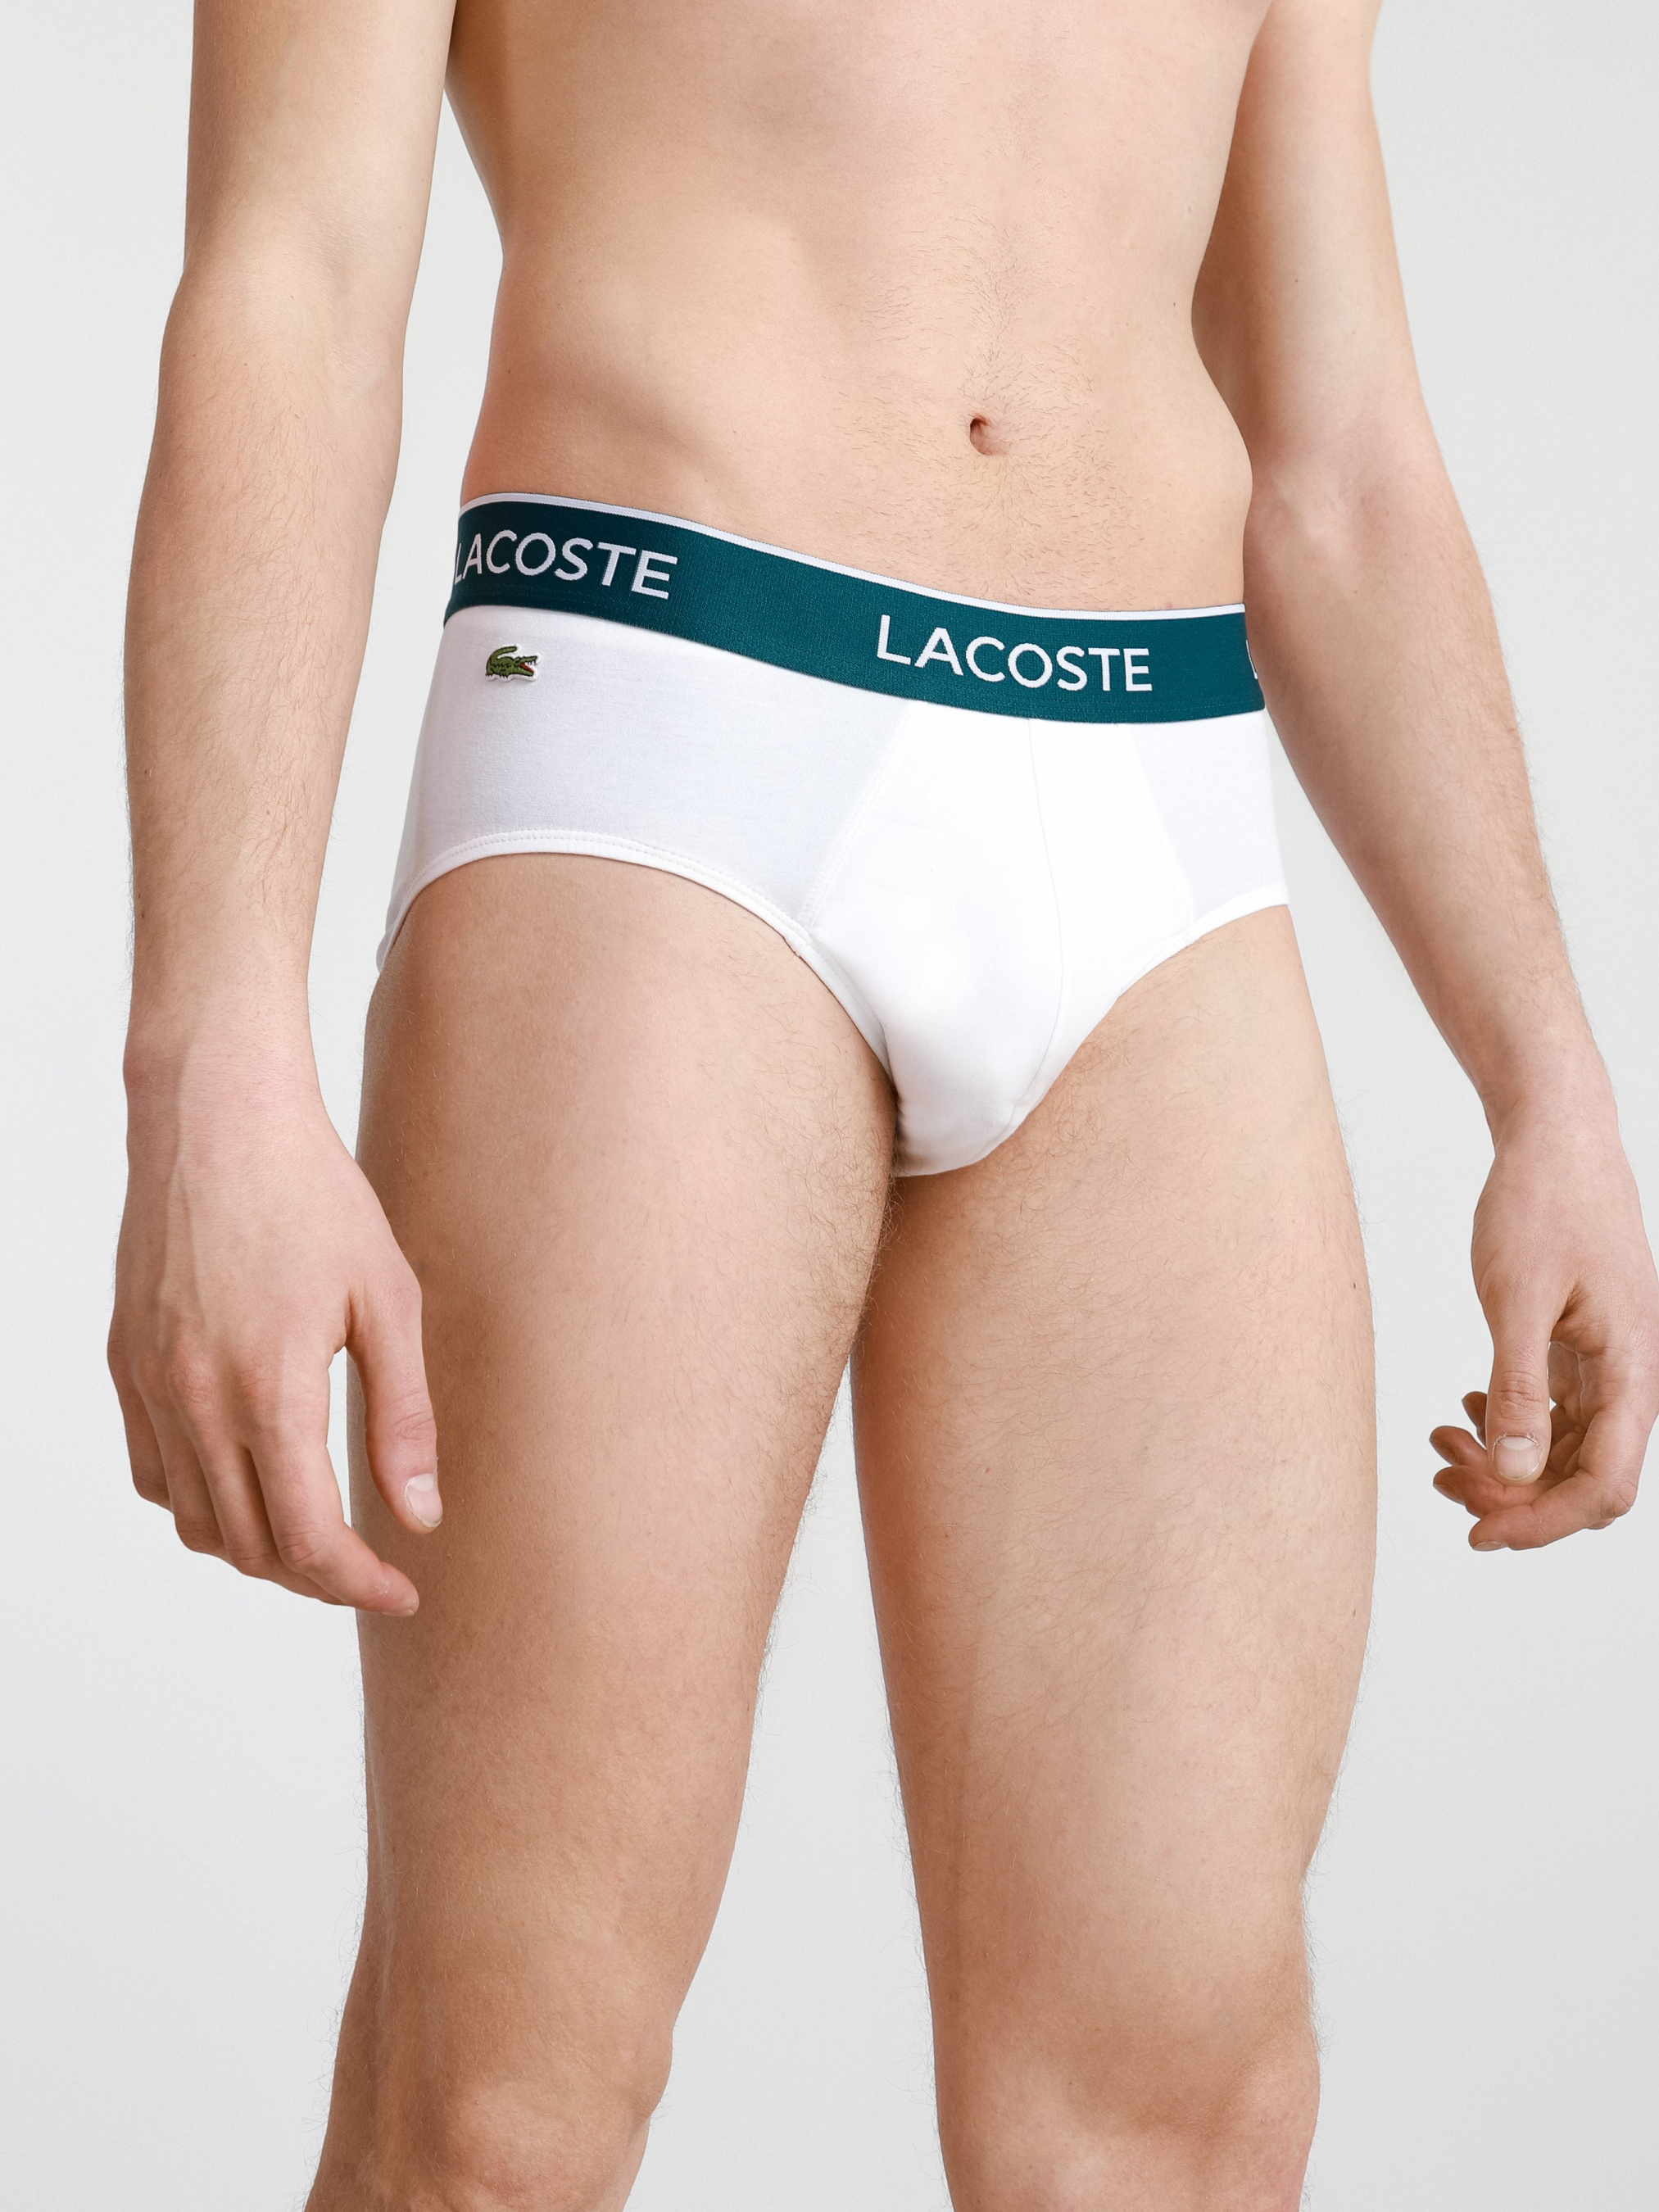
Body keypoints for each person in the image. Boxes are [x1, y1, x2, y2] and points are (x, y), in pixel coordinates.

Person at [108, 2, 1659, 2205]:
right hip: (669, 720)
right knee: (502, 2120)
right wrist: (213, 1049)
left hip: (1150, 787)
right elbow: (296, 271)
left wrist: (1546, 1073)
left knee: (1174, 2128)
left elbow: (1337, 443)